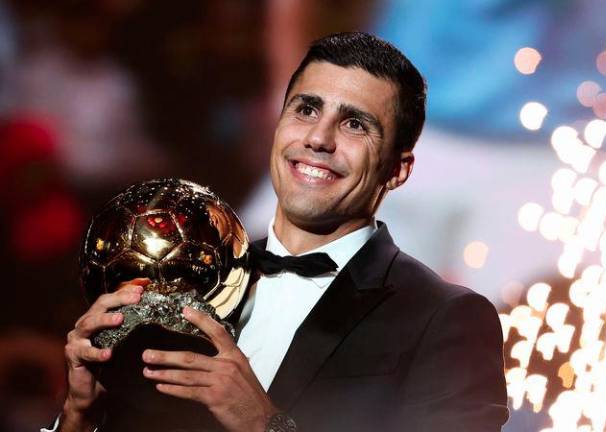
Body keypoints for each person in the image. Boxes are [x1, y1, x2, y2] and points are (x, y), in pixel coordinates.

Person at [51, 32, 509, 432]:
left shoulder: (446, 321)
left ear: (398, 170)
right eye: (306, 109)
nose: (318, 138)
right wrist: (79, 418)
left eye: (354, 124)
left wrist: (265, 425)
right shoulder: (183, 278)